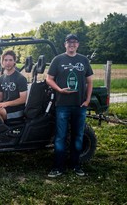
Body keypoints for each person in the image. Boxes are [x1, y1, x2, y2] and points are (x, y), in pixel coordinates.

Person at [46, 34, 93, 178]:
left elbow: (89, 81)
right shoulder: (58, 60)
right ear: (64, 44)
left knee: (78, 136)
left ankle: (75, 165)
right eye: (69, 42)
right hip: (62, 106)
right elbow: (49, 79)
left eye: (74, 42)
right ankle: (58, 167)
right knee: (60, 137)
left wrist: (87, 100)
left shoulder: (83, 60)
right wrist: (59, 90)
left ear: (78, 44)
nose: (71, 44)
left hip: (79, 106)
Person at [0, 50, 27, 122]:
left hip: (17, 109)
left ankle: (2, 132)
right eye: (5, 60)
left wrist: (6, 104)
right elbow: (0, 97)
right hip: (5, 106)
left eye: (10, 60)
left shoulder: (20, 78)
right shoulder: (1, 78)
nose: (8, 63)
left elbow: (23, 99)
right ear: (2, 62)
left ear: (14, 61)